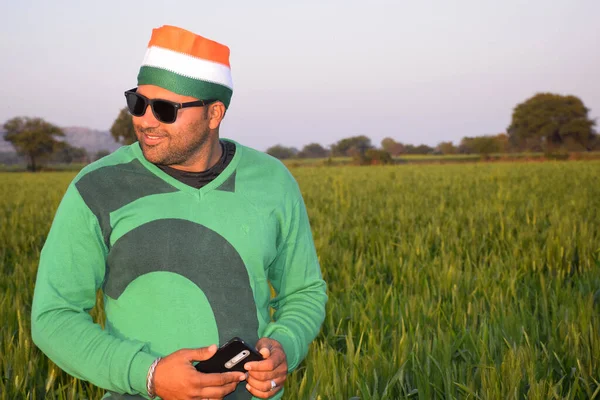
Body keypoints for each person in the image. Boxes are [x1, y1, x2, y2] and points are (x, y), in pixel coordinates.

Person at [31, 25, 328, 400]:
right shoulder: (97, 188)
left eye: (166, 109)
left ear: (214, 113)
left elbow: (304, 291)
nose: (145, 120)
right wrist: (149, 375)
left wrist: (285, 344)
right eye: (138, 103)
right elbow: (53, 316)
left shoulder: (272, 182)